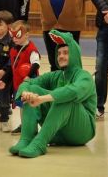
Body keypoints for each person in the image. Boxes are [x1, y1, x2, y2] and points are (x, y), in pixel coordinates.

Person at [9, 30, 96, 158]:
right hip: (57, 134)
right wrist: (26, 93)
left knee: (65, 98)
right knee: (33, 88)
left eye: (66, 53)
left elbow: (73, 91)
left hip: (81, 132)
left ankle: (40, 143)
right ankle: (26, 139)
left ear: (75, 55)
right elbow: (29, 82)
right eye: (59, 53)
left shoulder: (84, 76)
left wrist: (42, 99)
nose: (61, 56)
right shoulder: (55, 75)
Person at [8, 20, 41, 134]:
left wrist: (28, 76)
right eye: (12, 36)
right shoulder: (13, 48)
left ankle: (32, 128)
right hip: (18, 82)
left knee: (30, 106)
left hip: (29, 83)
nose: (14, 39)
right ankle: (24, 125)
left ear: (26, 34)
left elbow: (36, 64)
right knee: (22, 106)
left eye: (17, 35)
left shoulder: (31, 49)